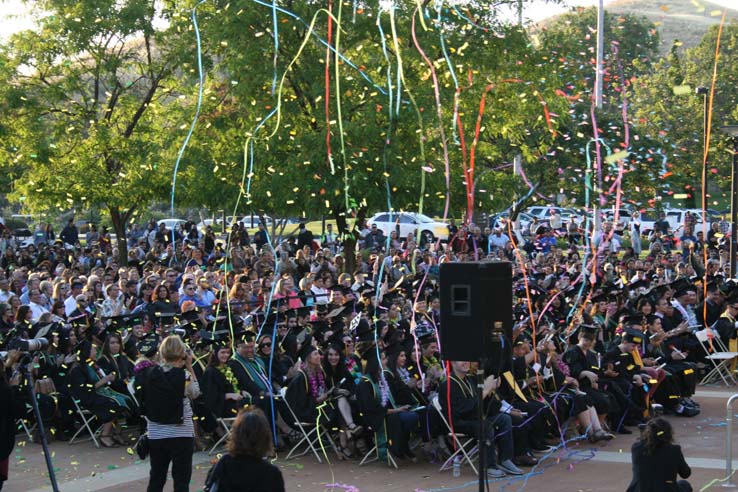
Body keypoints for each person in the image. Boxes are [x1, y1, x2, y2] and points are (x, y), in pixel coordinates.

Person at [142, 335, 200, 492]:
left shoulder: (149, 374)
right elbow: (195, 392)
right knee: (181, 479)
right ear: (181, 353)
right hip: (181, 431)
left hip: (156, 432)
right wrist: (189, 366)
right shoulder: (184, 376)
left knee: (157, 477)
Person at [204, 408, 285, 492]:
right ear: (266, 437)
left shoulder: (223, 464)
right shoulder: (271, 473)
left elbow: (209, 487)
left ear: (235, 435)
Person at [627, 417, 692, 492]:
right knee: (685, 485)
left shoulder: (636, 448)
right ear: (668, 434)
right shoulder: (674, 450)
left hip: (639, 490)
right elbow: (686, 473)